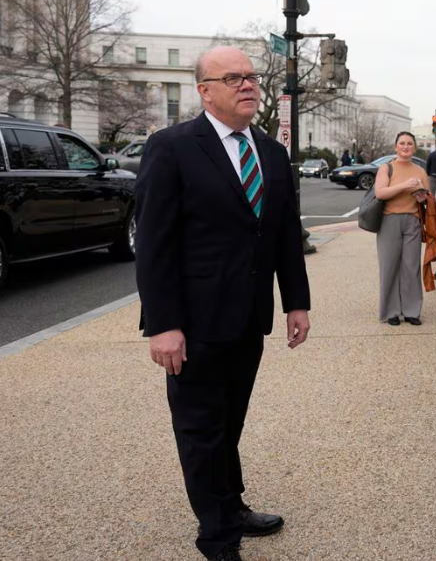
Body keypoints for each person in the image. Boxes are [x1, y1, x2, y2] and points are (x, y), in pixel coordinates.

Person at [135, 46, 311, 561]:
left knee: (228, 423)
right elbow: (154, 244)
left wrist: (295, 303)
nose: (247, 85)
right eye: (232, 77)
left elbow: (282, 235)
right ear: (205, 90)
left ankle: (230, 505)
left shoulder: (272, 153)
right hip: (193, 322)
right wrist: (163, 325)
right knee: (200, 430)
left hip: (247, 318)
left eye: (251, 76)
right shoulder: (170, 148)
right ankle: (218, 537)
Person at [374, 131, 430, 326]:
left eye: (409, 144)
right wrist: (405, 186)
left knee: (411, 267)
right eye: (402, 143)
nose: (406, 146)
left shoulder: (420, 171)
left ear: (414, 147)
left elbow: (427, 199)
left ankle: (411, 310)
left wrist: (423, 197)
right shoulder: (386, 168)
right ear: (396, 146)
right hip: (389, 220)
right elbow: (380, 193)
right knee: (389, 266)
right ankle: (391, 311)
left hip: (413, 221)